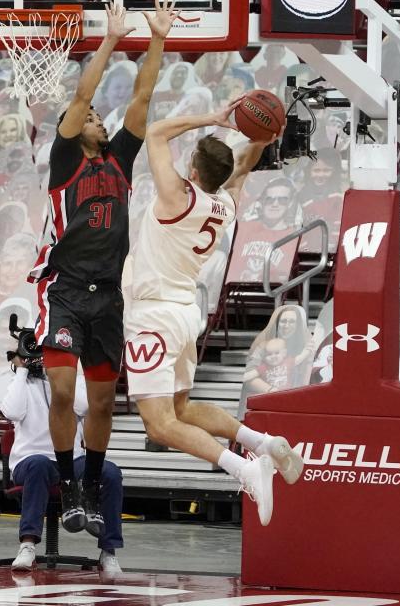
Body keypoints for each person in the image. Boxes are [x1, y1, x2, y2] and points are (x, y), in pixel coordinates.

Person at [31, 0, 176, 536]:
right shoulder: (66, 158)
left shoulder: (120, 159)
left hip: (109, 294)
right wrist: (112, 39)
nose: (97, 118)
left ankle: (91, 484)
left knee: (103, 405)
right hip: (65, 288)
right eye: (91, 119)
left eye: (97, 119)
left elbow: (143, 94)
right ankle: (65, 483)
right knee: (64, 394)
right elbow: (82, 94)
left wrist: (157, 36)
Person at [125, 100, 303, 528]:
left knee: (159, 425)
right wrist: (261, 138)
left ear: (194, 170)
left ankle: (244, 468)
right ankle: (261, 442)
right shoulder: (225, 204)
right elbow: (243, 165)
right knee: (181, 409)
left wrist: (214, 119)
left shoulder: (176, 199)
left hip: (155, 315)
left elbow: (155, 132)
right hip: (186, 313)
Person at [2, 355, 123, 573]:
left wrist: (63, 374)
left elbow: (85, 407)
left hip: (72, 459)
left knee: (111, 473)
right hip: (29, 459)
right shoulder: (21, 382)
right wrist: (21, 371)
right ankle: (27, 545)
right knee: (38, 464)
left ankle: (109, 551)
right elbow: (12, 412)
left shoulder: (72, 382)